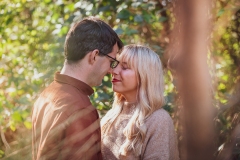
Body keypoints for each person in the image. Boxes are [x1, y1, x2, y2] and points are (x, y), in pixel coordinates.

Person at [32, 17, 123, 160]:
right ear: (94, 56)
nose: (111, 70)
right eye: (111, 61)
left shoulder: (46, 95)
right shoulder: (80, 109)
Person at [101, 44, 179, 160]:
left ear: (143, 76)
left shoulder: (158, 120)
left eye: (125, 67)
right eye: (115, 64)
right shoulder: (111, 116)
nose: (114, 70)